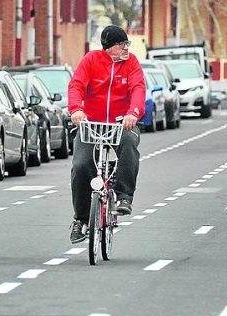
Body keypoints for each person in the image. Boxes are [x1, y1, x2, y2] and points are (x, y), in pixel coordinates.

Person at [67, 25, 146, 244]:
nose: (125, 48)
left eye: (126, 44)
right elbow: (76, 86)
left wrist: (133, 113)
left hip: (122, 124)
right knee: (81, 166)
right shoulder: (91, 60)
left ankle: (123, 196)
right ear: (108, 47)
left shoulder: (131, 64)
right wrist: (77, 110)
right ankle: (81, 220)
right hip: (92, 124)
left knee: (130, 146)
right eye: (121, 44)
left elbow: (138, 89)